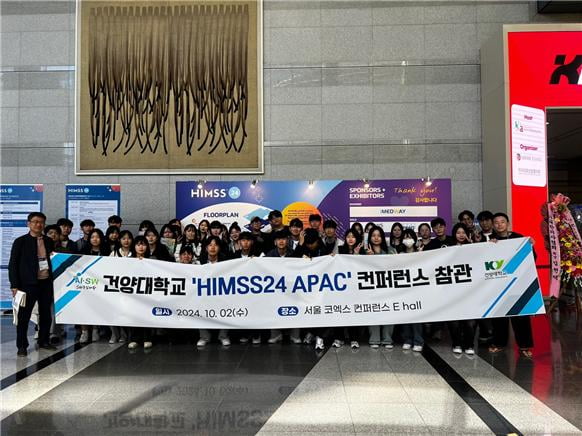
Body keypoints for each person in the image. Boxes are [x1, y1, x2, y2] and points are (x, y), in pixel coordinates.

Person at [488, 212, 535, 358]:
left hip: (517, 283)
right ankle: (499, 343)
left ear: (507, 223)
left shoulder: (518, 238)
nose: (499, 225)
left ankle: (525, 346)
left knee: (520, 315)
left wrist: (530, 246)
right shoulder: (490, 241)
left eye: (502, 222)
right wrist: (488, 247)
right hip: (498, 284)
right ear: (493, 225)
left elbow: (532, 258)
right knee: (499, 316)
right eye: (496, 222)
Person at [9, 212, 55, 356]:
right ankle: (22, 346)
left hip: (46, 283)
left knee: (46, 314)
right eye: (35, 221)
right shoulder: (20, 241)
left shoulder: (48, 241)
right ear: (28, 223)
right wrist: (14, 285)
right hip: (27, 284)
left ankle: (44, 340)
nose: (38, 224)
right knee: (24, 316)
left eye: (41, 222)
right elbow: (13, 264)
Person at [292, 228, 330, 350]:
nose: (310, 246)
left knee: (319, 311)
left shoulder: (322, 249)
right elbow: (291, 260)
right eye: (307, 243)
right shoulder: (303, 247)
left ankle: (319, 336)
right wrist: (300, 244)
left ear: (317, 241)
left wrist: (331, 258)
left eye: (312, 243)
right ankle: (311, 333)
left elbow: (329, 264)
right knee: (308, 311)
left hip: (321, 288)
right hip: (305, 288)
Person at [266, 230, 301, 344]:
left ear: (288, 241)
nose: (281, 241)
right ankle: (276, 334)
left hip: (291, 288)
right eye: (278, 239)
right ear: (275, 242)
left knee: (295, 309)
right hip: (275, 289)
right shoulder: (270, 255)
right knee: (273, 309)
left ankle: (295, 335)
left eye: (284, 239)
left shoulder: (293, 253)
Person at [366, 226, 397, 349]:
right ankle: (374, 338)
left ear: (383, 237)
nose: (376, 238)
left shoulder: (390, 250)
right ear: (369, 237)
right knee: (374, 311)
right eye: (373, 235)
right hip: (372, 288)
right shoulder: (365, 251)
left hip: (388, 287)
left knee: (388, 311)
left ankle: (387, 339)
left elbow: (395, 265)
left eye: (379, 235)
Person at [448, 223, 476, 355]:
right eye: (458, 232)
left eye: (463, 232)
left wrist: (473, 246)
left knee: (470, 321)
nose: (461, 235)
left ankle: (469, 344)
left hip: (470, 291)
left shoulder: (473, 247)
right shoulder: (448, 249)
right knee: (454, 320)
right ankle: (457, 343)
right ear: (454, 234)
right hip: (452, 291)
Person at [198, 236, 230, 347]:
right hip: (204, 294)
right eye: (210, 245)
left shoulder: (226, 262)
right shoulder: (200, 261)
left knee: (228, 307)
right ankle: (204, 337)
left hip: (222, 293)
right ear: (206, 248)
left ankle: (223, 336)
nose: (212, 247)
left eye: (215, 245)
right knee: (197, 307)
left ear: (219, 248)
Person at [80, 229, 110, 343]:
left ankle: (95, 330)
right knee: (84, 307)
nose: (95, 239)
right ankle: (84, 331)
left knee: (96, 307)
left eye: (97, 237)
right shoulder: (83, 251)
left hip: (101, 284)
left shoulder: (106, 251)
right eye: (92, 237)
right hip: (86, 284)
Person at [337, 229, 365, 349]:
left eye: (353, 236)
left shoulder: (362, 251)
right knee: (340, 312)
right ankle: (339, 338)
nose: (350, 239)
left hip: (355, 288)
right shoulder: (339, 249)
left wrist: (357, 255)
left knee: (353, 312)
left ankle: (354, 338)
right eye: (348, 236)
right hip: (341, 287)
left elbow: (362, 267)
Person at [399, 229, 424, 352]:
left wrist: (421, 256)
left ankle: (418, 340)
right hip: (403, 289)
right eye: (405, 237)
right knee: (405, 315)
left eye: (410, 237)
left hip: (417, 289)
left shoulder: (420, 252)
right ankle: (407, 339)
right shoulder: (399, 254)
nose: (407, 240)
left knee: (417, 316)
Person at [127, 236, 153, 349]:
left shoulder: (152, 260)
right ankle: (134, 339)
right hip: (133, 292)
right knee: (134, 314)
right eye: (138, 245)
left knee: (147, 314)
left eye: (143, 244)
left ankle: (147, 338)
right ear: (134, 247)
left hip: (148, 292)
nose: (141, 247)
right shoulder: (128, 261)